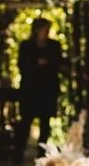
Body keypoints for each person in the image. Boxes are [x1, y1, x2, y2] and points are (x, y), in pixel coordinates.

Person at [16, 17, 65, 148]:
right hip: (30, 89)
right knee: (26, 120)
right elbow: (22, 65)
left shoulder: (54, 46)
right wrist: (35, 64)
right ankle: (18, 151)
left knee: (45, 122)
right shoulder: (26, 46)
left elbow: (59, 63)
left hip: (47, 89)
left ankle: (42, 151)